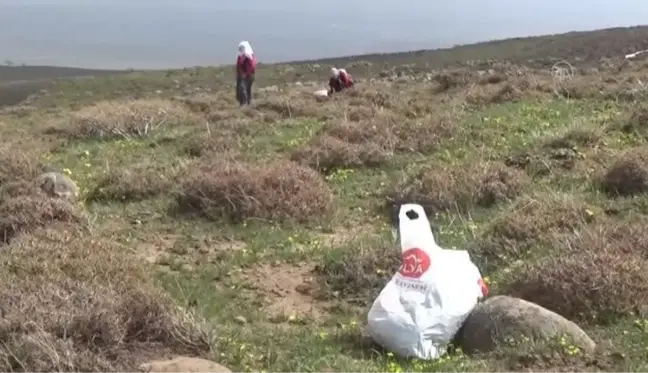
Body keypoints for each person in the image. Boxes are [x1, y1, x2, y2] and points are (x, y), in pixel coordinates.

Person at [236, 41, 256, 106]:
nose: (241, 49)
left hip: (248, 76)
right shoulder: (241, 56)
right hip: (242, 76)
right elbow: (238, 65)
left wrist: (246, 74)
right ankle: (245, 103)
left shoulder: (249, 56)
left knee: (244, 89)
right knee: (242, 90)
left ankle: (245, 104)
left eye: (242, 48)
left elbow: (252, 66)